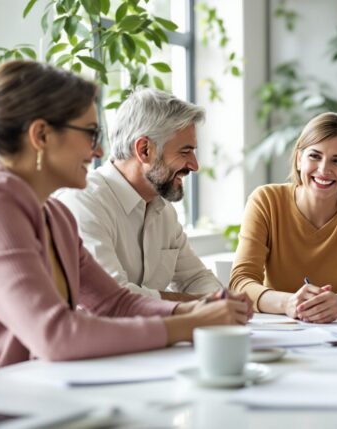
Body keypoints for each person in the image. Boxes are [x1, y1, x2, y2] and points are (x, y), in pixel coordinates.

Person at [0, 60, 249, 379]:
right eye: (90, 134)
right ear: (42, 135)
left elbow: (115, 304)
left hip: (28, 395)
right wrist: (188, 324)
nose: (99, 149)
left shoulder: (55, 215)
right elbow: (55, 335)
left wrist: (195, 309)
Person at [56, 89, 245, 305]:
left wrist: (221, 302)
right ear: (145, 150)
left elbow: (195, 278)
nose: (194, 165)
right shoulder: (82, 202)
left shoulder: (163, 210)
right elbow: (114, 298)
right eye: (185, 152)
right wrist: (200, 304)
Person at [229, 112, 337, 323]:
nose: (324, 170)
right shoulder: (265, 201)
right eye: (314, 156)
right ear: (299, 159)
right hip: (279, 328)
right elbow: (240, 281)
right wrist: (288, 303)